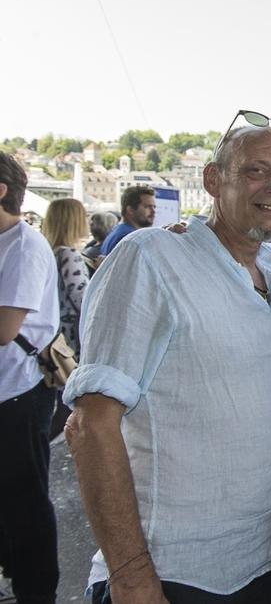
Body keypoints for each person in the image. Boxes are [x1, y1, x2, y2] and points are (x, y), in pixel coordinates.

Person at [64, 118, 271, 603]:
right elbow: (90, 425)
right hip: (172, 572)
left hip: (263, 559)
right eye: (258, 171)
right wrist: (131, 578)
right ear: (214, 180)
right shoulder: (149, 257)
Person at [0, 153, 61, 604]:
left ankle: (35, 593)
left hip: (17, 396)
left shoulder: (24, 245)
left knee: (25, 505)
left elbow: (5, 329)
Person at [41, 198, 90, 360]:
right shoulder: (69, 254)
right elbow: (85, 301)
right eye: (84, 216)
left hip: (56, 334)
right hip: (71, 338)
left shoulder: (51, 252)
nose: (88, 221)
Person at [100, 185, 156, 255]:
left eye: (154, 207)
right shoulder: (129, 237)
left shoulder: (118, 231)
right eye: (147, 207)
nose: (153, 211)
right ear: (130, 210)